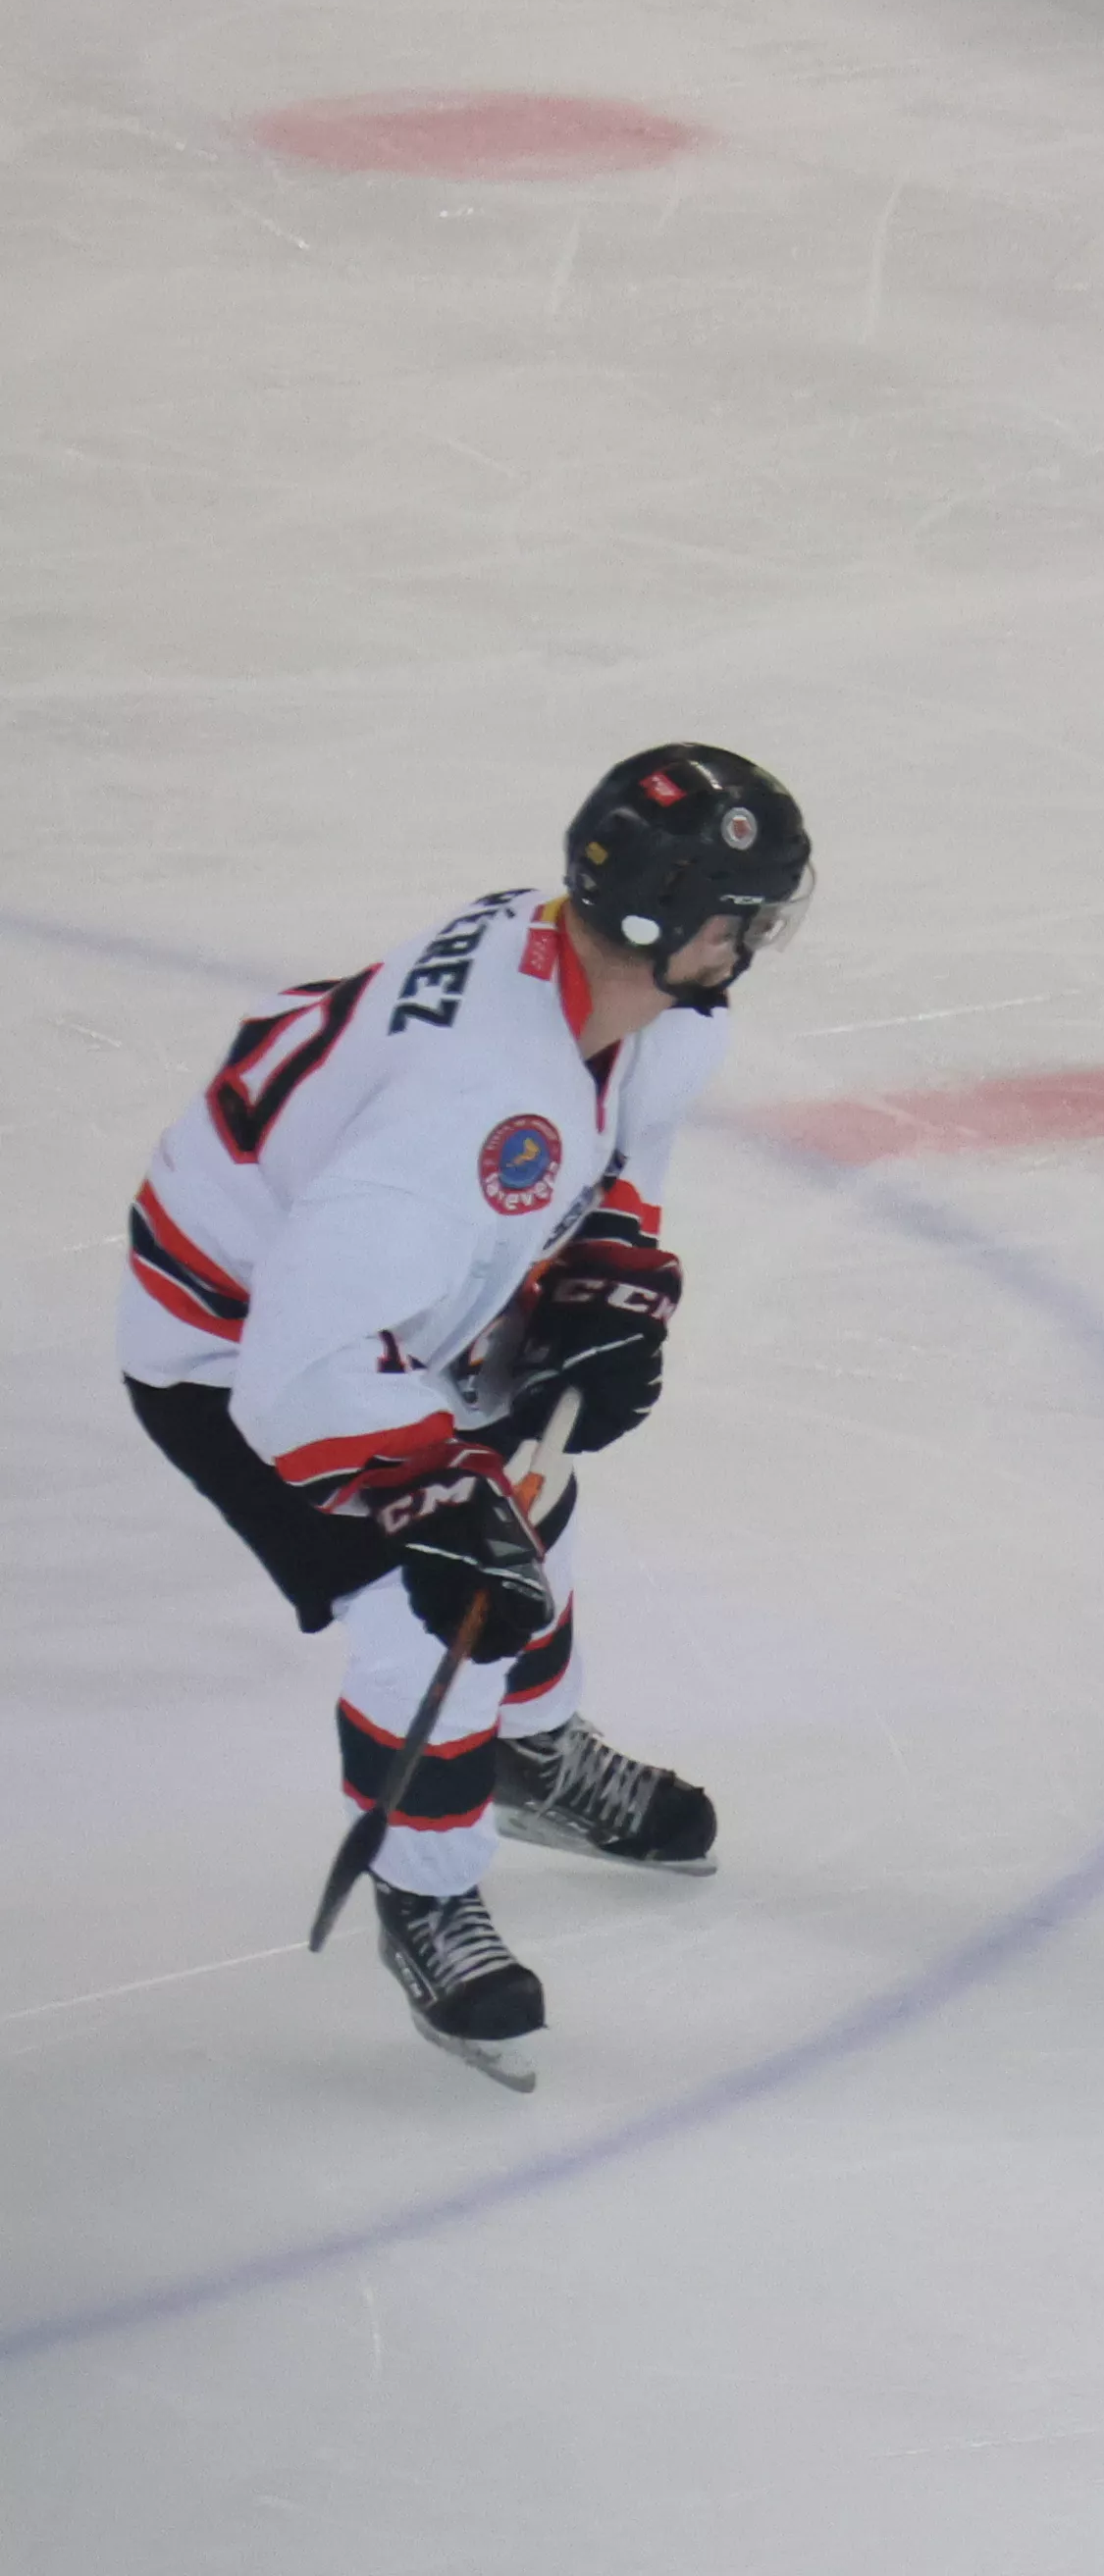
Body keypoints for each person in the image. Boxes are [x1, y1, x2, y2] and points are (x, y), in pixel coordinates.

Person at [118, 750, 813, 2088]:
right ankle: (428, 1891)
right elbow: (294, 1369)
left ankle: (529, 1755)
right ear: (671, 916)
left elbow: (615, 1139)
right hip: (233, 1348)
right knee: (426, 1613)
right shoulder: (472, 1123)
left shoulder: (589, 979)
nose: (758, 937)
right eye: (743, 910)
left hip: (389, 1296)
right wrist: (424, 1499)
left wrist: (609, 1258)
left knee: (526, 1525)